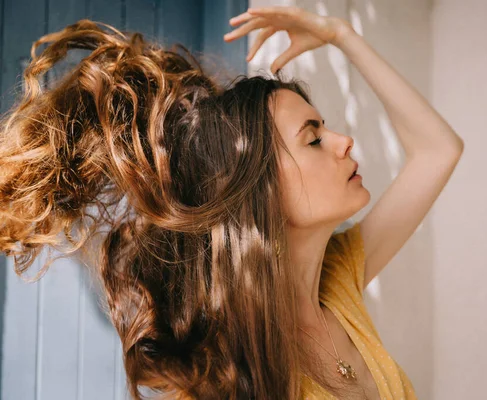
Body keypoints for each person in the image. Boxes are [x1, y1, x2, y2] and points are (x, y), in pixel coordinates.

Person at [0, 5, 463, 400]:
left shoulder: (339, 281)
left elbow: (440, 150)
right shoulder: (219, 371)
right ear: (263, 187)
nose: (344, 142)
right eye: (314, 139)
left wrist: (341, 35)